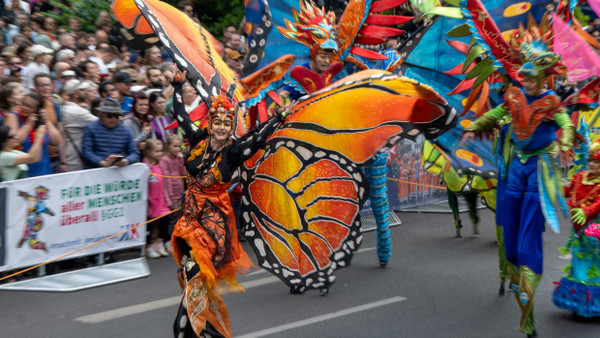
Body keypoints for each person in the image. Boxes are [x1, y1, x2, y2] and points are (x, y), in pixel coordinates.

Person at [460, 52, 575, 336]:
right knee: (508, 236)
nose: (527, 80)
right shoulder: (514, 96)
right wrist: (474, 127)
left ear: (543, 77)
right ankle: (516, 279)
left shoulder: (550, 101)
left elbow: (566, 124)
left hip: (539, 167)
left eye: (532, 76)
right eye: (524, 76)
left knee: (527, 241)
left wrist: (565, 145)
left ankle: (528, 288)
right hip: (517, 169)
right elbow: (496, 114)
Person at [169, 71, 286, 338]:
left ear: (231, 127)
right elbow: (181, 117)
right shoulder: (198, 142)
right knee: (191, 281)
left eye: (227, 123)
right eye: (218, 122)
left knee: (192, 289)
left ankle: (189, 327)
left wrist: (278, 118)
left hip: (212, 227)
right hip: (188, 221)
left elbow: (256, 139)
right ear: (210, 124)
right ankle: (203, 329)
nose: (222, 127)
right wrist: (178, 87)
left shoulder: (232, 153)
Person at [553, 142, 600, 317]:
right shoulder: (580, 176)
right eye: (591, 161)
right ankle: (578, 302)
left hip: (595, 230)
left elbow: (598, 203)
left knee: (593, 265)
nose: (593, 164)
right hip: (579, 231)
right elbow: (567, 191)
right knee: (578, 264)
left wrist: (586, 211)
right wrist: (552, 185)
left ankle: (593, 305)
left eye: (597, 162)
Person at [81, 98, 139, 168]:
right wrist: (102, 163)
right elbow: (87, 152)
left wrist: (125, 161)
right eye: (109, 116)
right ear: (102, 114)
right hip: (94, 171)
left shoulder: (126, 130)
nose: (113, 119)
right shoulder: (90, 128)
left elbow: (134, 153)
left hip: (116, 172)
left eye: (116, 116)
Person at [61, 79, 99, 171]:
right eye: (82, 90)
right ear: (75, 94)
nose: (85, 92)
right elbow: (101, 123)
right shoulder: (76, 111)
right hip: (75, 159)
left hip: (72, 156)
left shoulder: (67, 108)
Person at [143, 138, 171, 258]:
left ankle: (159, 242)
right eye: (157, 151)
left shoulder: (159, 165)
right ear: (148, 151)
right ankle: (149, 246)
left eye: (161, 151)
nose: (160, 154)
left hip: (161, 200)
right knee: (150, 225)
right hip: (150, 202)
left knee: (166, 220)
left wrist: (167, 198)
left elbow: (165, 182)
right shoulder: (145, 167)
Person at [160, 133, 186, 251]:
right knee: (170, 220)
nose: (177, 149)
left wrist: (181, 159)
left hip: (179, 191)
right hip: (170, 193)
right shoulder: (164, 160)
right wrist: (169, 198)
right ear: (168, 146)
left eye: (179, 146)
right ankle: (168, 240)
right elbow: (166, 180)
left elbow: (183, 174)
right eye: (174, 146)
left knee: (179, 217)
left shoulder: (178, 158)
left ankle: (179, 238)